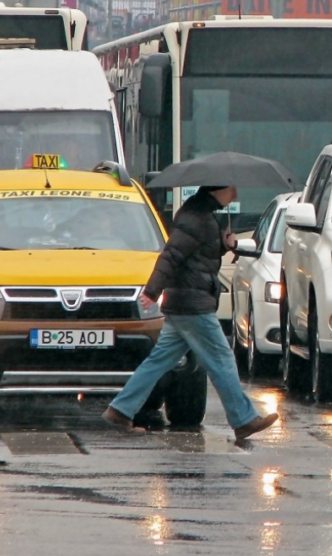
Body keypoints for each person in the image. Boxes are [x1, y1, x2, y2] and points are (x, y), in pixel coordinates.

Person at [103, 185, 279, 440]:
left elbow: (195, 256)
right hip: (191, 303)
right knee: (222, 359)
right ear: (217, 189)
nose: (236, 195)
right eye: (232, 190)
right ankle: (243, 420)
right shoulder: (197, 218)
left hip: (185, 301)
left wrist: (224, 245)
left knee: (159, 361)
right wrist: (152, 290)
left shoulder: (201, 215)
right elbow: (171, 255)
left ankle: (120, 410)